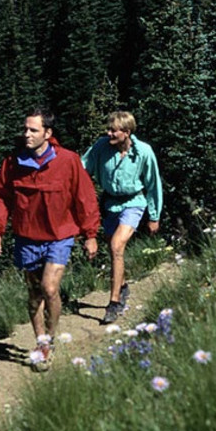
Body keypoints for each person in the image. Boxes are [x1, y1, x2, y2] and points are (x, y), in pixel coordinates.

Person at [0, 109, 99, 371]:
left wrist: (90, 234)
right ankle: (39, 341)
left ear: (48, 134)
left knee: (50, 288)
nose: (27, 134)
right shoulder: (13, 163)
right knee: (35, 293)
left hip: (60, 235)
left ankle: (49, 340)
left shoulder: (68, 161)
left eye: (33, 130)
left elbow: (84, 197)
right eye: (25, 129)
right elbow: (0, 196)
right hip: (27, 236)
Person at [82, 111, 162, 324]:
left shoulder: (144, 152)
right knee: (112, 247)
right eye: (108, 129)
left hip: (134, 202)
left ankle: (114, 302)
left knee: (117, 246)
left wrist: (154, 216)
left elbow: (154, 184)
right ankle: (123, 286)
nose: (108, 133)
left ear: (126, 132)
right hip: (110, 203)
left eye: (113, 130)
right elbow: (82, 169)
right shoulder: (101, 147)